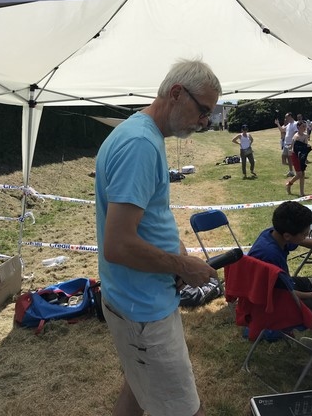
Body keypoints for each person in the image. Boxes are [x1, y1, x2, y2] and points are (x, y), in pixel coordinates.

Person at [95, 59, 221, 416]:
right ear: (177, 93)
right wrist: (183, 264)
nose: (204, 122)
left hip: (138, 298)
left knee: (137, 391)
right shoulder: (140, 144)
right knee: (184, 409)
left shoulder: (143, 134)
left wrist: (175, 255)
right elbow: (118, 245)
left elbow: (150, 217)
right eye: (203, 111)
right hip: (143, 308)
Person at [248, 201, 312, 375]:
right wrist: (311, 295)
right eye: (303, 233)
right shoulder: (268, 255)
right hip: (284, 300)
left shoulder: (274, 234)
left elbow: (308, 243)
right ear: (288, 235)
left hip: (287, 285)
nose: (305, 236)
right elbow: (270, 293)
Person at [286, 120, 312, 197]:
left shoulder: (305, 136)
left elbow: (305, 147)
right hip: (295, 156)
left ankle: (302, 193)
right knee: (299, 174)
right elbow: (294, 148)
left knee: (303, 174)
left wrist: (305, 155)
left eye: (305, 126)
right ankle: (289, 184)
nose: (304, 128)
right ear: (298, 127)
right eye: (302, 126)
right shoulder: (296, 136)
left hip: (302, 156)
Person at [277, 112, 297, 177]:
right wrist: (277, 124)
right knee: (285, 156)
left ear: (290, 116)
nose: (285, 118)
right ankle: (291, 171)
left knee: (290, 158)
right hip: (286, 143)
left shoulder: (295, 124)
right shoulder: (288, 124)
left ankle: (294, 171)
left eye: (286, 117)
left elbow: (296, 134)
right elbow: (282, 130)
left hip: (290, 144)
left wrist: (292, 144)